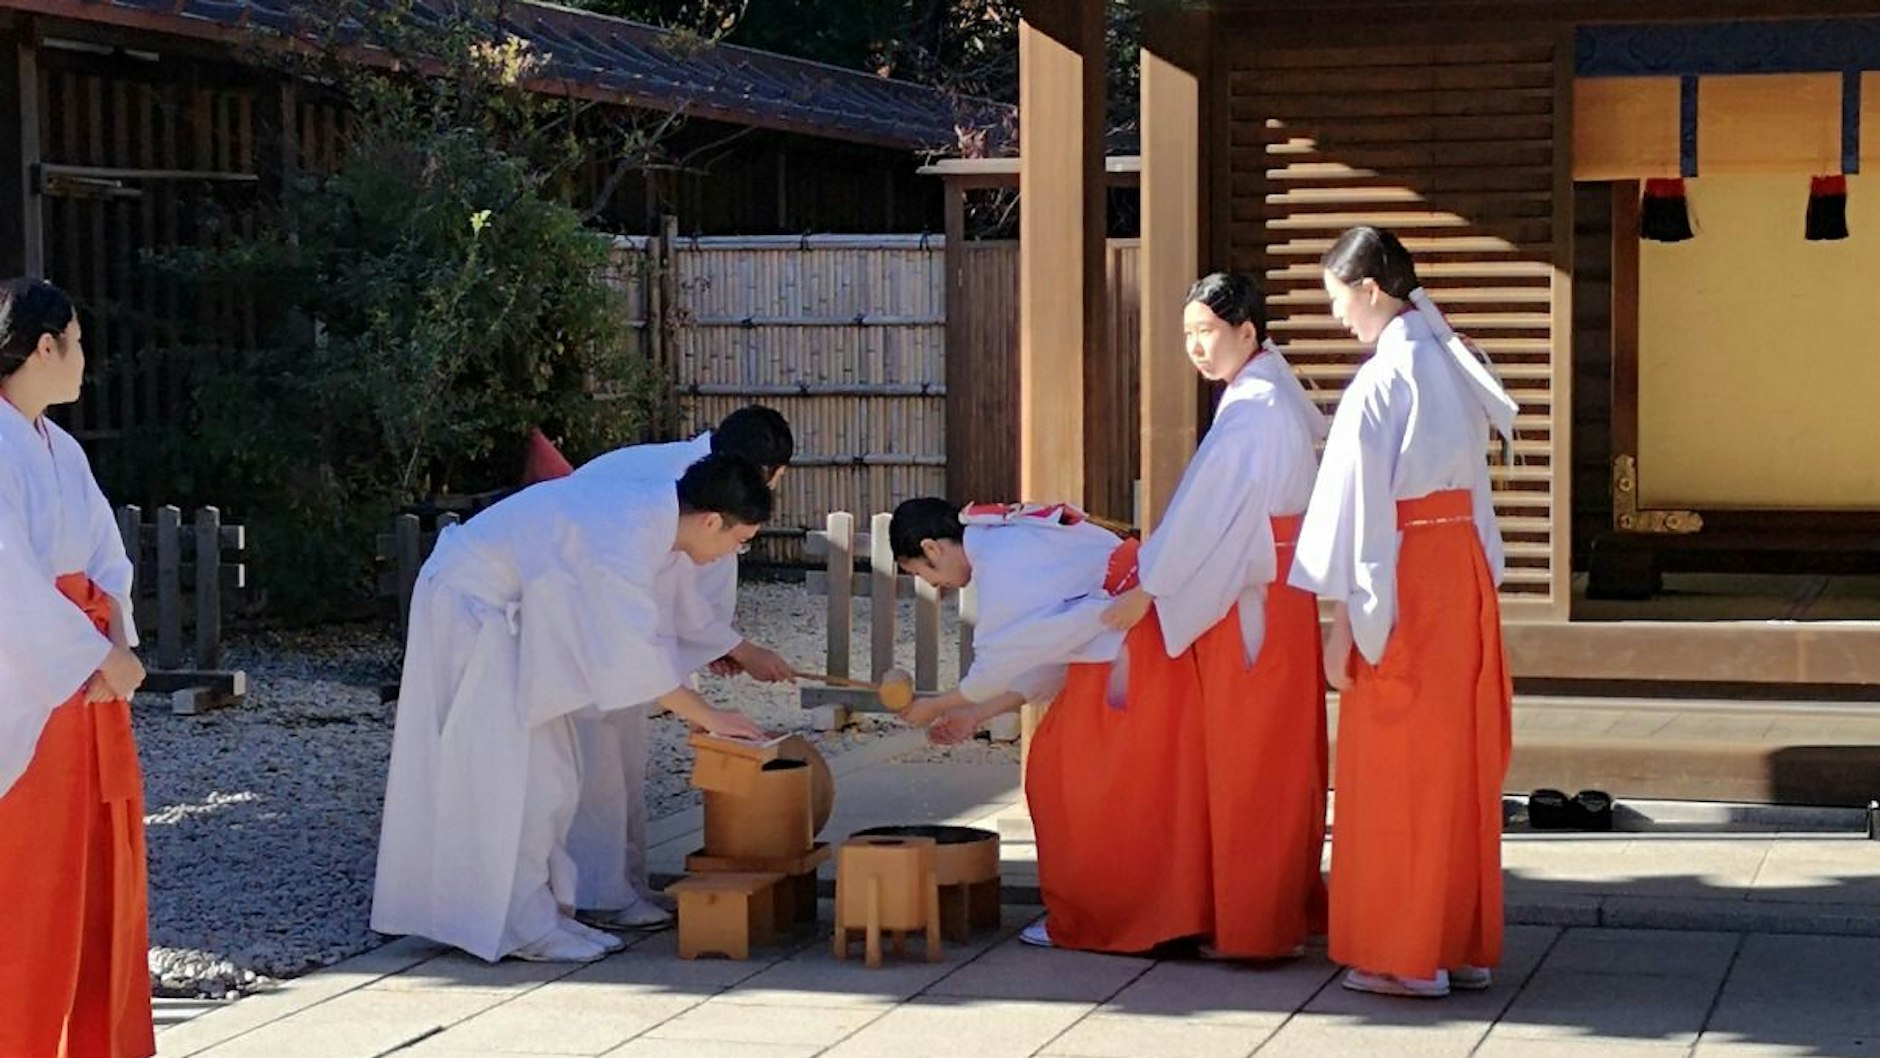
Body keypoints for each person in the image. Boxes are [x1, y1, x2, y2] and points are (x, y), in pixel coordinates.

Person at [371, 453, 771, 963]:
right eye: (738, 542)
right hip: (475, 613)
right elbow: (632, 653)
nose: (729, 554)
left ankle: (539, 913)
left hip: (509, 619)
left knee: (554, 776)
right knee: (515, 778)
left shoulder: (653, 521)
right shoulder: (626, 531)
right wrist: (709, 717)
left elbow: (642, 629)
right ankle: (517, 925)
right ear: (712, 520)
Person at [1288, 226, 1516, 998]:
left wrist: (1344, 623)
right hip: (1460, 575)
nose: (1338, 317)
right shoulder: (1453, 363)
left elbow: (1358, 516)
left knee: (1396, 768)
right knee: (1456, 763)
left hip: (1407, 574)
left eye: (1338, 299)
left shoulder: (1384, 380)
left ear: (1370, 290)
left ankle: (1405, 953)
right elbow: (1478, 502)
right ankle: (1460, 942)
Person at [1102, 271, 1329, 961]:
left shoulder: (1254, 408)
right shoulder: (1272, 393)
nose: (1196, 347)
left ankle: (1252, 924)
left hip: (1251, 592)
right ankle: (1271, 914)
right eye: (1188, 335)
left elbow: (1204, 515)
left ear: (1248, 333)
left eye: (1207, 332)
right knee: (1278, 760)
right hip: (1281, 590)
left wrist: (1154, 580)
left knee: (1247, 762)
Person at [892, 498, 1210, 954]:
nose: (937, 586)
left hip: (1127, 650)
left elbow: (1000, 662)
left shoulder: (1002, 561)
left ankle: (1111, 918)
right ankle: (1154, 914)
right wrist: (974, 714)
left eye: (926, 575)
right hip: (1125, 644)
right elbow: (1047, 650)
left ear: (932, 548)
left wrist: (938, 704)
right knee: (1098, 780)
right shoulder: (1007, 537)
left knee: (1084, 781)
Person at [563, 406, 797, 931]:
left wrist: (730, 647)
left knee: (623, 762)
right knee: (598, 764)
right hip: (584, 619)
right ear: (770, 473)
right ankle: (599, 895)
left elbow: (681, 592)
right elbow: (661, 600)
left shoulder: (693, 481)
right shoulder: (677, 490)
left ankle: (622, 884)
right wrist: (713, 688)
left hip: (610, 619)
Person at [0, 277, 154, 1057]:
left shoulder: (61, 450)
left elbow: (107, 559)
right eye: (79, 341)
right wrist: (94, 655)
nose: (88, 358)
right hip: (33, 693)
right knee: (31, 898)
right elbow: (8, 584)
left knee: (99, 887)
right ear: (45, 346)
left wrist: (116, 652)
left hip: (86, 687)